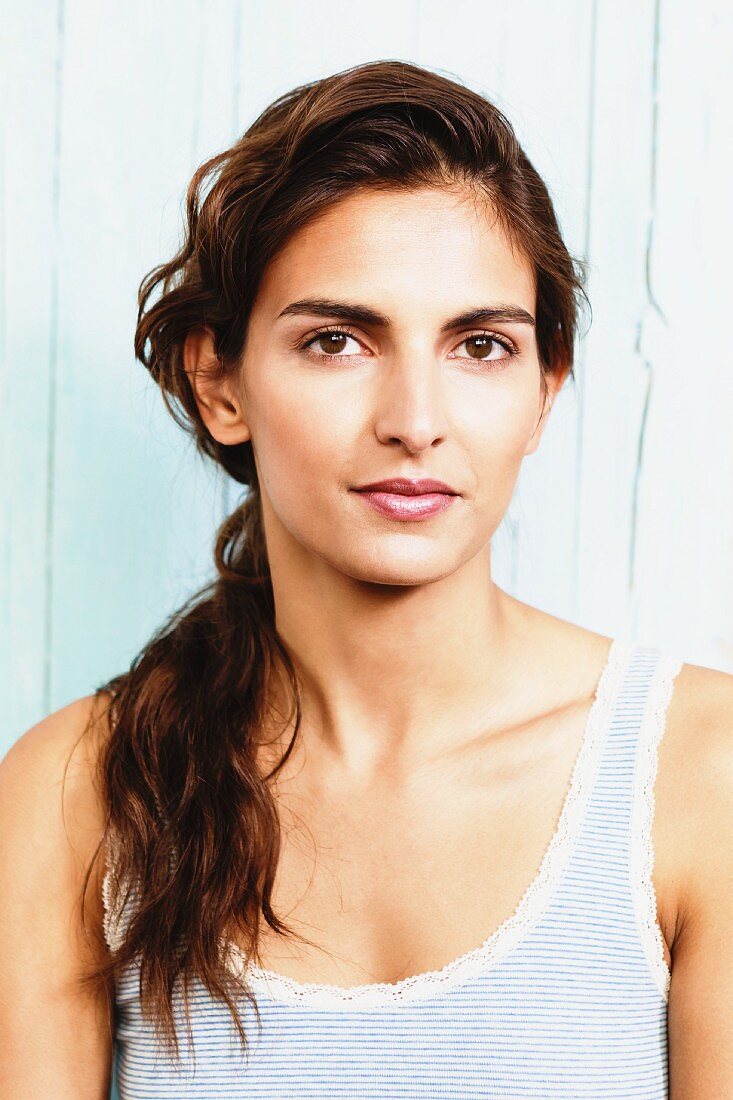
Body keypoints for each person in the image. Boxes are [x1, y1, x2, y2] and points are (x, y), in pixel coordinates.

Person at [1, 58, 732, 1100]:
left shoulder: (702, 777)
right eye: (337, 340)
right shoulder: (76, 791)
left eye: (480, 344)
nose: (414, 418)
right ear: (220, 384)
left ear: (543, 390)